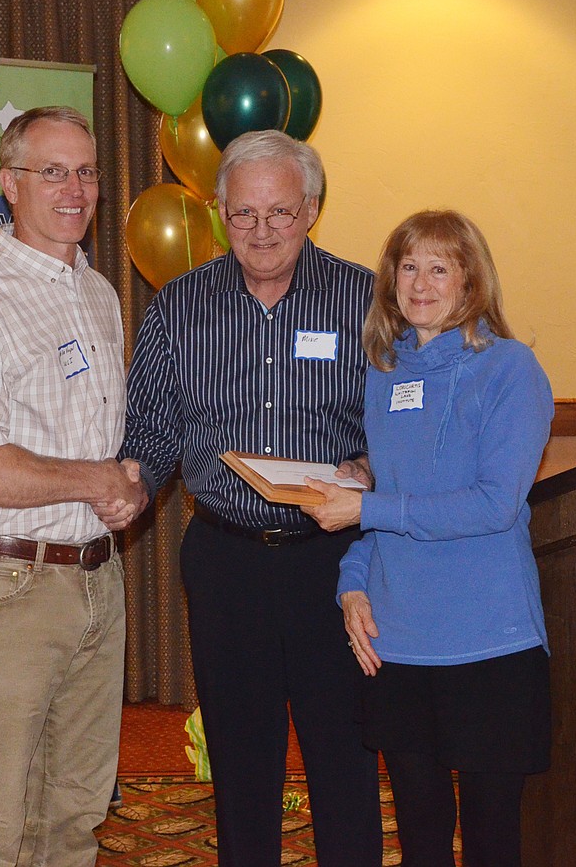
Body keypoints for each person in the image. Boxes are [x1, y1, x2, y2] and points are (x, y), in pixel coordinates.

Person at [122, 129, 382, 865]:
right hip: (226, 561)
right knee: (241, 761)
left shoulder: (365, 299)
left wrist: (369, 468)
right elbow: (151, 432)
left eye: (281, 213)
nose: (263, 231)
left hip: (334, 564)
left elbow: (400, 424)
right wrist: (118, 491)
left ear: (312, 210)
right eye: (244, 215)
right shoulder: (178, 308)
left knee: (345, 754)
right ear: (219, 215)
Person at [0, 105, 147, 866]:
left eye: (86, 172)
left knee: (72, 815)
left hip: (94, 581)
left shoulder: (98, 293)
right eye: (52, 171)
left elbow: (97, 443)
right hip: (4, 590)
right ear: (10, 184)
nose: (74, 188)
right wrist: (93, 479)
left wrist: (127, 487)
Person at [302, 209, 554, 867]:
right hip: (400, 642)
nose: (420, 281)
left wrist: (366, 512)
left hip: (487, 640)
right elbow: (385, 500)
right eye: (408, 266)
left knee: (492, 835)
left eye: (439, 267)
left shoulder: (510, 369)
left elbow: (495, 505)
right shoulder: (385, 374)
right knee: (418, 830)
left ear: (471, 282)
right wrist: (352, 586)